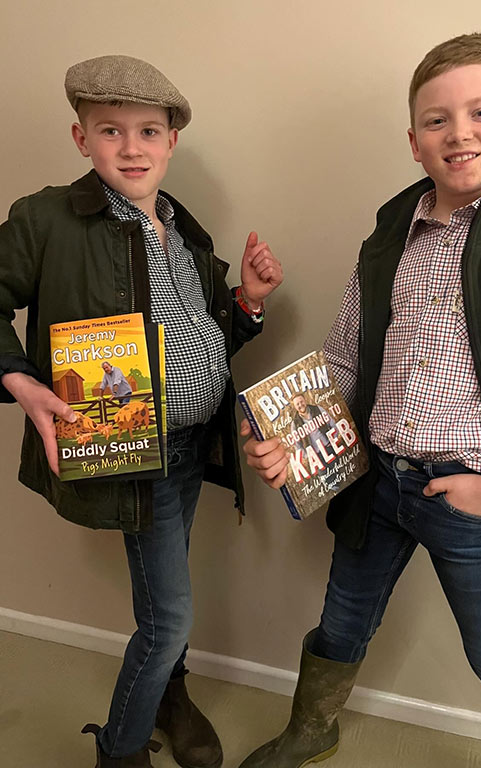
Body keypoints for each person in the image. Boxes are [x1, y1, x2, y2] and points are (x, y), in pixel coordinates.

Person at [240, 33, 481, 768]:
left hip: (473, 498)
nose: (459, 132)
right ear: (414, 142)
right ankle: (313, 727)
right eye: (436, 120)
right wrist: (293, 435)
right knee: (341, 619)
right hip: (377, 480)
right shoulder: (386, 241)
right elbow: (345, 360)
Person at [0, 55, 282, 768]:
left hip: (193, 449)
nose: (132, 147)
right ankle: (122, 753)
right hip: (136, 458)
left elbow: (205, 337)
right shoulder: (48, 219)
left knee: (167, 599)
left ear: (171, 142)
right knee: (169, 619)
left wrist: (245, 303)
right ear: (80, 138)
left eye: (148, 131)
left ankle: (169, 696)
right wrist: (18, 378)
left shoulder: (186, 231)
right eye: (111, 130)